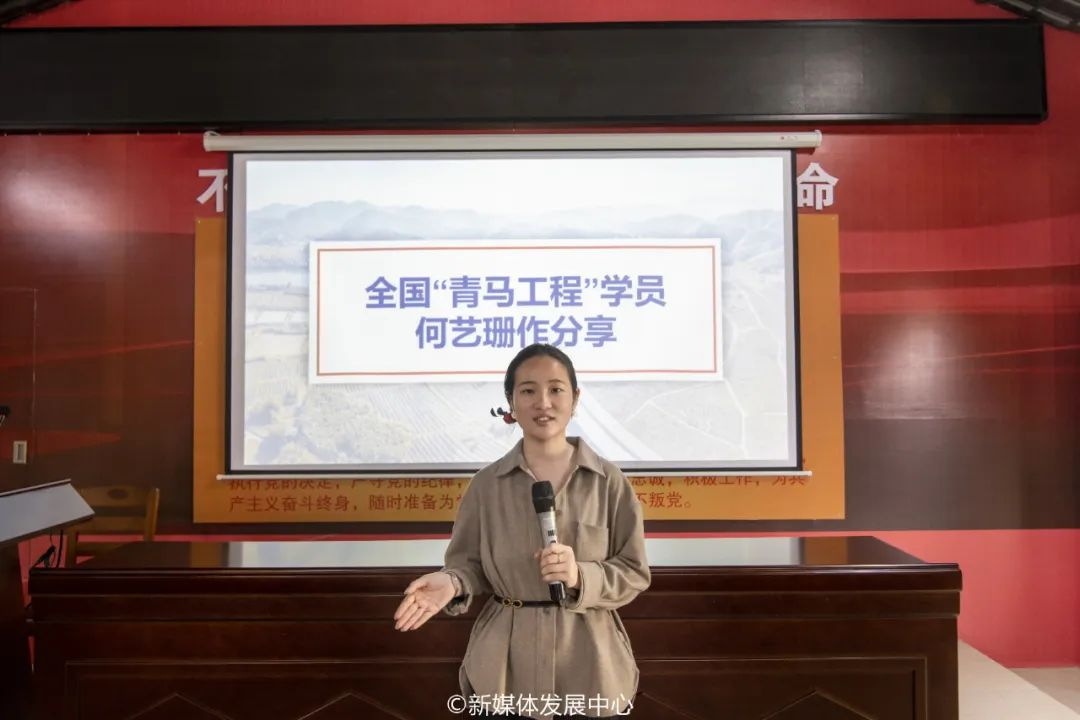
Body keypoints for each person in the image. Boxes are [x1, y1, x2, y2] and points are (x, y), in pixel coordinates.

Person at [393, 343, 650, 719]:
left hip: (590, 664)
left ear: (575, 399)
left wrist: (580, 575)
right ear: (511, 402)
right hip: (504, 665)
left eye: (556, 389)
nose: (543, 402)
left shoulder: (608, 482)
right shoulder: (486, 485)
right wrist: (453, 581)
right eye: (528, 390)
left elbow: (633, 571)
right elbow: (469, 565)